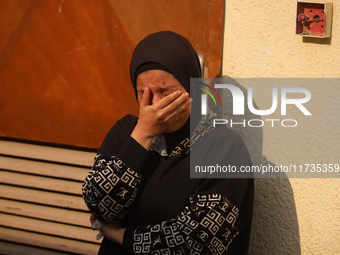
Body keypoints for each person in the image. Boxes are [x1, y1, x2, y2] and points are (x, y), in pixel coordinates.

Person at [82, 31, 254, 255]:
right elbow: (99, 205)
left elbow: (197, 241)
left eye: (165, 91)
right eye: (143, 93)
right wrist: (143, 134)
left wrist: (120, 235)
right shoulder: (126, 132)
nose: (154, 104)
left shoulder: (224, 148)